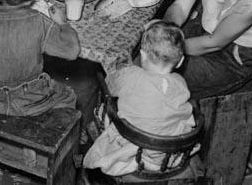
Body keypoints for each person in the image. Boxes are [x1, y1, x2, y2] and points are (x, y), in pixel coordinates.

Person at [83, 21, 196, 176]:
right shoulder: (180, 82)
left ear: (142, 55)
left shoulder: (133, 75)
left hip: (137, 145)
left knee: (108, 105)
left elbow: (110, 85)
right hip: (169, 151)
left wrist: (119, 71)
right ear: (181, 61)